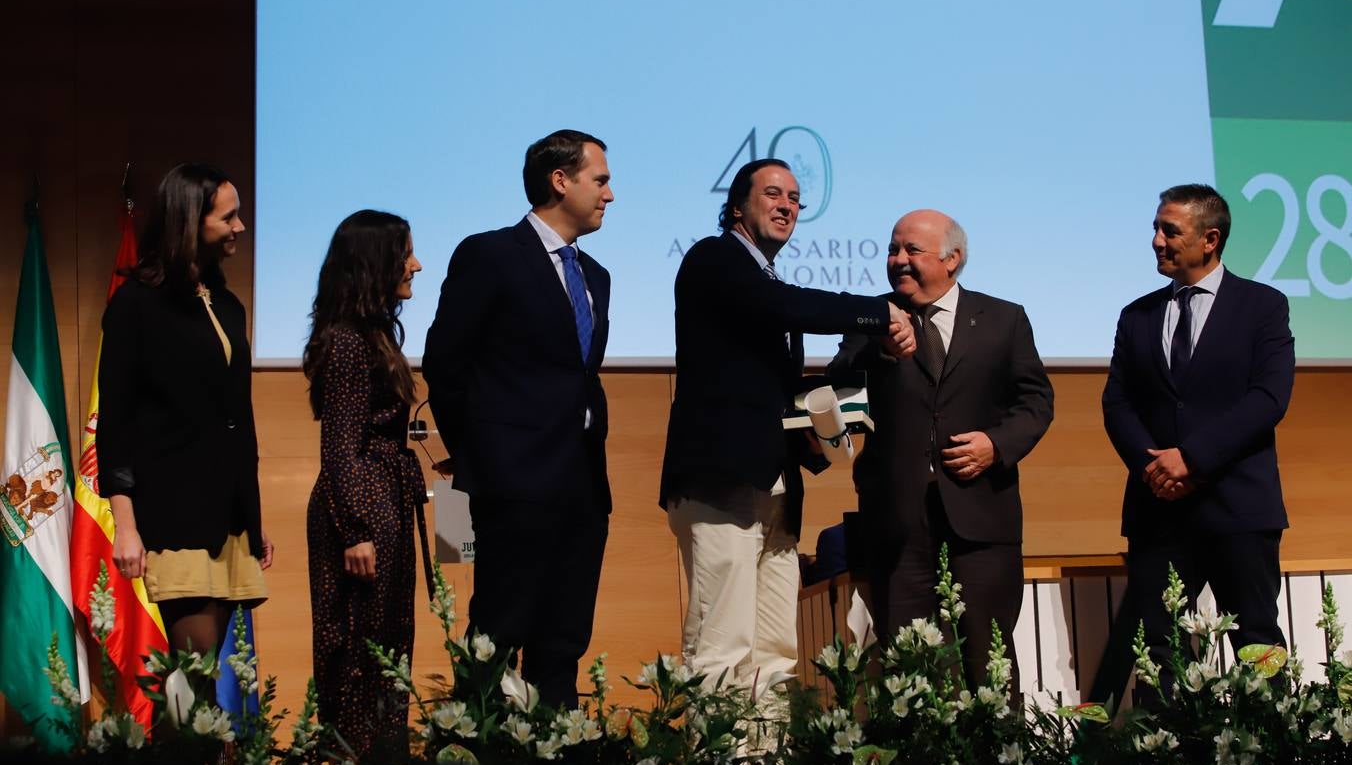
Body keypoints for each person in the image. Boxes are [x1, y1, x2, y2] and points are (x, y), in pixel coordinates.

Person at [658, 158, 914, 690]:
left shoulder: (767, 281)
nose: (787, 206)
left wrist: (819, 431)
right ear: (737, 206)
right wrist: (880, 313)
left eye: (795, 198)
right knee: (721, 645)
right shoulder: (714, 259)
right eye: (773, 194)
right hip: (721, 484)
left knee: (774, 650)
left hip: (774, 489)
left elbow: (767, 392)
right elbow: (784, 306)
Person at [423, 129, 613, 708]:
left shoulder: (595, 276)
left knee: (563, 638)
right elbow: (445, 364)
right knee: (499, 634)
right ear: (561, 181)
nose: (610, 194)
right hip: (513, 482)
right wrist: (483, 456)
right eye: (600, 180)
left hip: (581, 485)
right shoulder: (491, 254)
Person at [828, 209, 1052, 692]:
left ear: (952, 259)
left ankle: (998, 762)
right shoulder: (870, 319)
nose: (898, 260)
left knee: (987, 660)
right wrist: (881, 350)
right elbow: (839, 383)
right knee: (909, 668)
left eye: (912, 250)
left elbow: (1035, 402)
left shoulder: (1003, 319)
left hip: (981, 517)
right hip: (897, 520)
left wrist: (996, 444)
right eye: (893, 250)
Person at [1092, 184, 1294, 707]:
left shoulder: (1263, 307)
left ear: (1210, 239)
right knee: (1160, 651)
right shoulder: (1136, 315)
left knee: (1257, 643)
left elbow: (1268, 398)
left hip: (1239, 507)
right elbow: (1117, 404)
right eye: (1156, 228)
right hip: (1158, 510)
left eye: (1169, 231)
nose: (1156, 240)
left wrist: (1194, 459)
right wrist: (1155, 467)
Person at [99, 163, 274, 682]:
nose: (241, 227)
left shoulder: (227, 304)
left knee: (207, 681)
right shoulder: (136, 303)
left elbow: (236, 419)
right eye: (229, 217)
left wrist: (254, 513)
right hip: (174, 516)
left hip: (230, 519)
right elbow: (116, 423)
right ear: (190, 222)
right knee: (192, 681)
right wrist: (125, 527)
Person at [303, 209, 426, 763]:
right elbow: (340, 448)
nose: (416, 265)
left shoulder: (371, 333)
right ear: (374, 262)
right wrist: (355, 528)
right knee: (357, 649)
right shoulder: (348, 341)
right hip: (362, 507)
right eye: (405, 254)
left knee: (387, 648)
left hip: (384, 498)